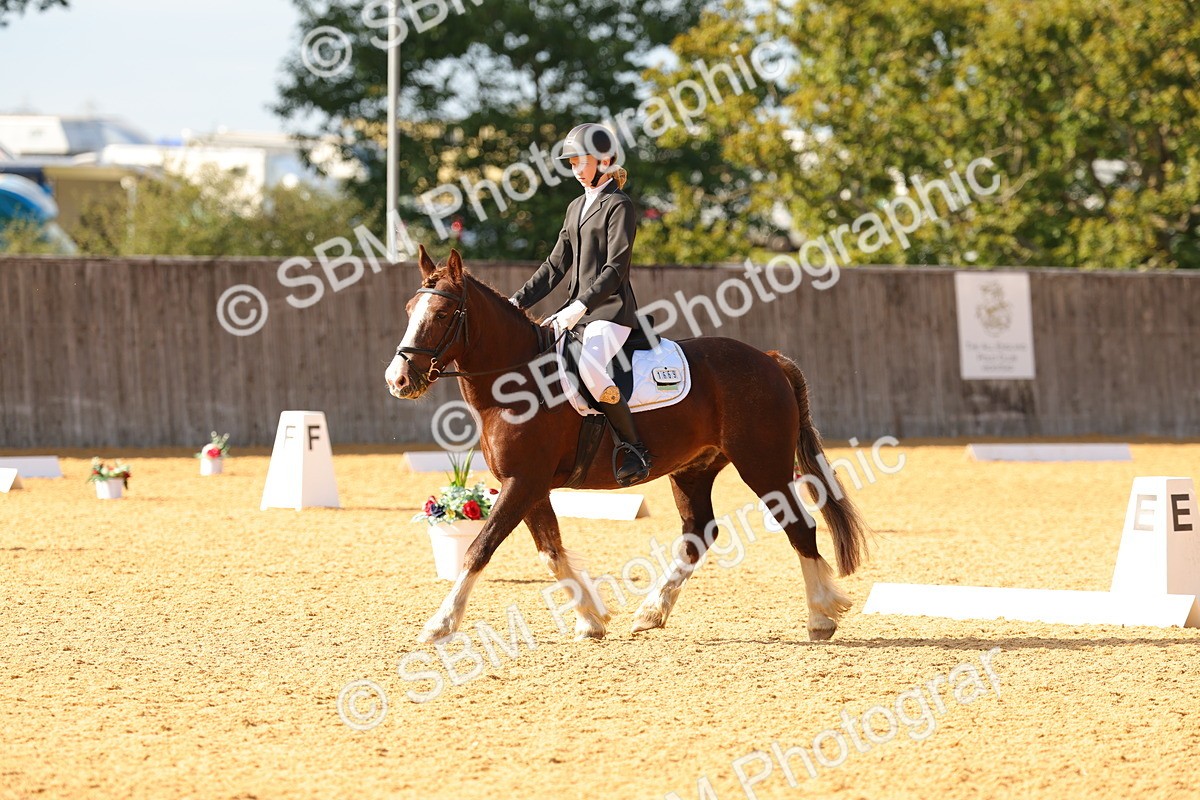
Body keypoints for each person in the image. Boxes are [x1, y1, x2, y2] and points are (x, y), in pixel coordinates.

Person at [509, 123, 651, 486]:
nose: (574, 168)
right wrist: (516, 302)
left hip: (610, 313)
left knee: (590, 364)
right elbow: (555, 264)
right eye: (570, 163)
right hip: (576, 311)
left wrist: (582, 305)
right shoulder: (575, 207)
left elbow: (616, 267)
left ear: (604, 160)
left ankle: (634, 448)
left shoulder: (619, 204)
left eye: (579, 161)